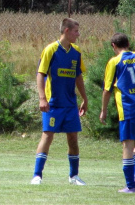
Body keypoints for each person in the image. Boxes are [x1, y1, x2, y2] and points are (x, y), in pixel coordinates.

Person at [31, 18, 88, 185]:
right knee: (47, 136)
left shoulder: (76, 52)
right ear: (66, 31)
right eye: (76, 31)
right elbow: (40, 74)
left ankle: (74, 176)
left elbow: (78, 76)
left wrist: (84, 98)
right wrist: (42, 98)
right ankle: (37, 175)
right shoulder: (50, 49)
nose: (78, 34)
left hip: (70, 104)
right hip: (53, 104)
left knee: (73, 139)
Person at [100, 33, 135, 193]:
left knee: (127, 145)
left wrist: (103, 111)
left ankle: (130, 185)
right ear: (128, 43)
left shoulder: (114, 62)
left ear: (114, 46)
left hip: (128, 108)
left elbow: (107, 90)